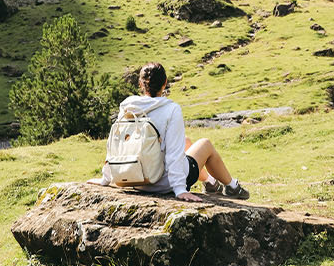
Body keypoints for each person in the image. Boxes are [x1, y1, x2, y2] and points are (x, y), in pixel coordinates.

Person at [96, 61, 248, 201]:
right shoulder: (171, 109)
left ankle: (210, 182)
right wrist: (180, 189)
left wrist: (106, 178)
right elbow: (174, 153)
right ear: (165, 83)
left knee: (186, 142)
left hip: (133, 178)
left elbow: (117, 144)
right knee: (205, 144)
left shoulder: (128, 105)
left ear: (141, 84)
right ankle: (233, 187)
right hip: (162, 183)